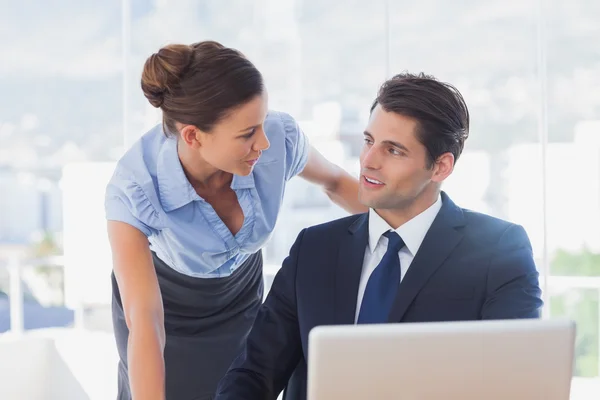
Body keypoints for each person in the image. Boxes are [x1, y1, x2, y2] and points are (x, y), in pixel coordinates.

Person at [214, 72, 544, 400]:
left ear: (440, 167)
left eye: (394, 151)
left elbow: (518, 386)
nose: (368, 161)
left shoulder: (499, 251)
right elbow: (255, 372)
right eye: (369, 141)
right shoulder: (313, 250)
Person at [104, 40, 366, 400]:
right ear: (194, 136)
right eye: (247, 135)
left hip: (241, 296)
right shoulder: (134, 188)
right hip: (167, 310)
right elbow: (147, 321)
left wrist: (417, 226)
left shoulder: (276, 137)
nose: (264, 143)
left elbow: (336, 182)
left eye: (260, 124)